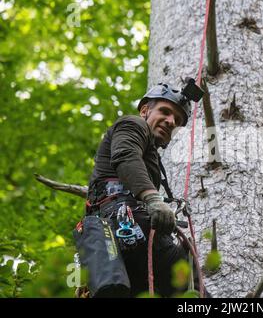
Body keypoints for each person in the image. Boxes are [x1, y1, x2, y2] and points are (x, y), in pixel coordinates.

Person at [81, 79, 204, 297]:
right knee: (192, 289)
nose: (170, 121)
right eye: (165, 112)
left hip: (114, 236)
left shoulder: (151, 155)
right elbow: (126, 156)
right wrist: (153, 199)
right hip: (127, 224)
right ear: (145, 110)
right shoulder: (133, 124)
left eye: (176, 120)